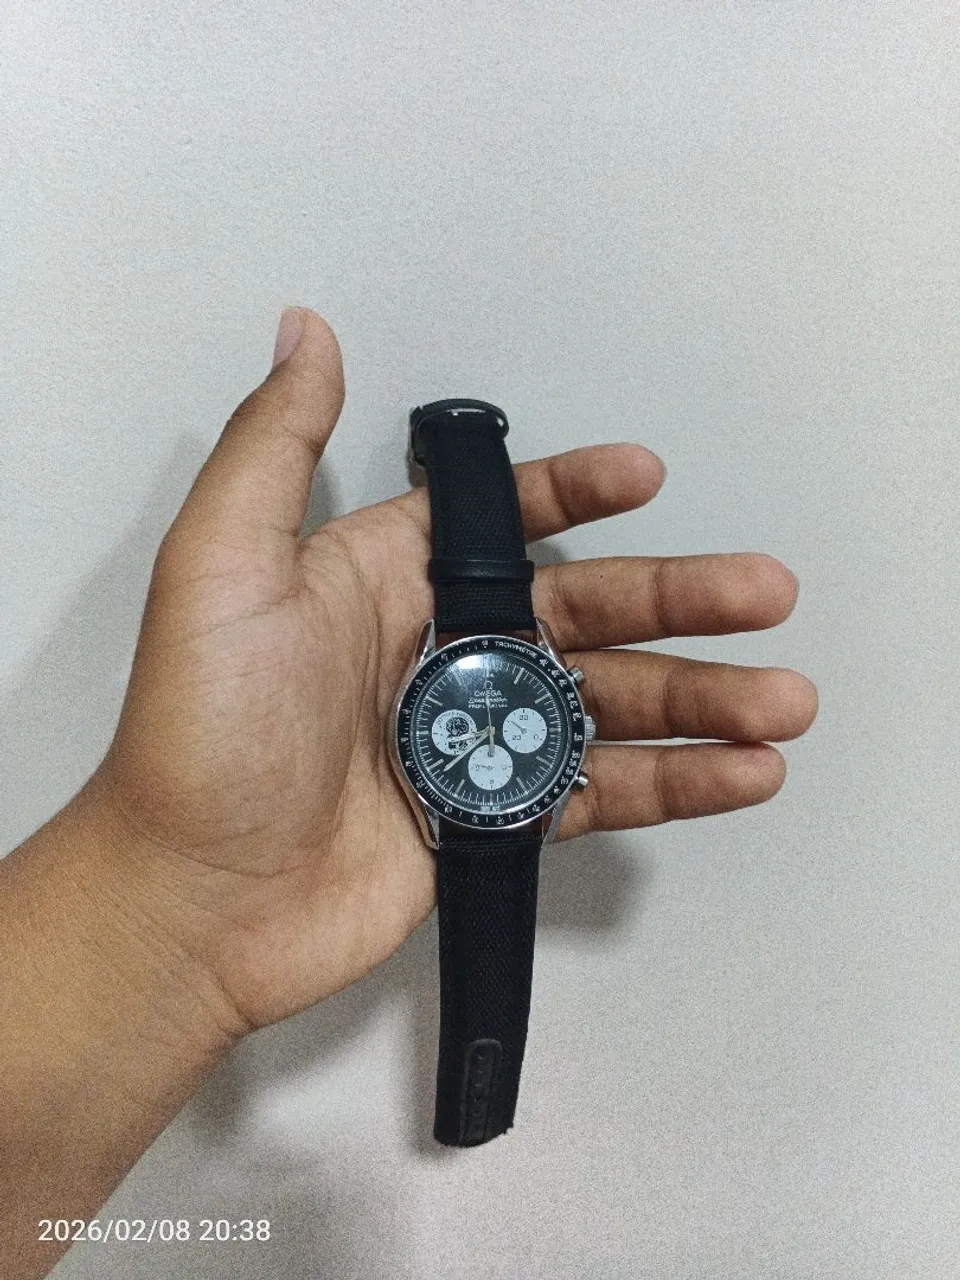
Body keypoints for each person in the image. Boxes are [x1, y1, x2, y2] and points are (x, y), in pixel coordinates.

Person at [0, 307, 819, 1279]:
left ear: (565, 708)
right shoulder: (462, 692)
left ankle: (476, 1115)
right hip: (469, 799)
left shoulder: (488, 690)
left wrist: (165, 903)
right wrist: (173, 884)